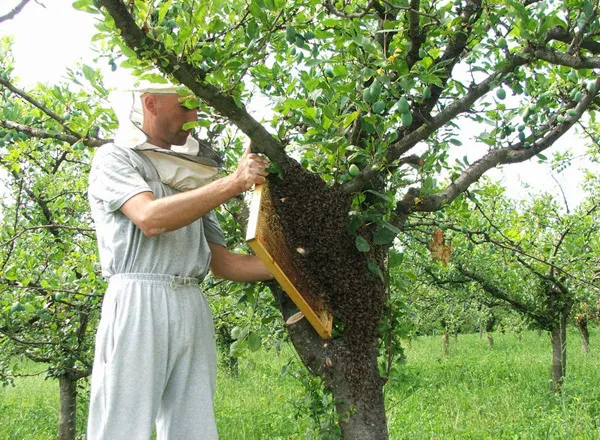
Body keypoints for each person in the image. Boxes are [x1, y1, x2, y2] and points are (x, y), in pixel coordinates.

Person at [86, 83, 272, 440]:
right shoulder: (116, 158)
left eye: (196, 107)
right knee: (122, 425)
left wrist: (295, 268)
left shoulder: (193, 177)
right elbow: (150, 218)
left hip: (191, 301)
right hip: (138, 298)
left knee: (194, 426)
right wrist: (234, 182)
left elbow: (224, 264)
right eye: (185, 107)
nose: (194, 117)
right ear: (150, 103)